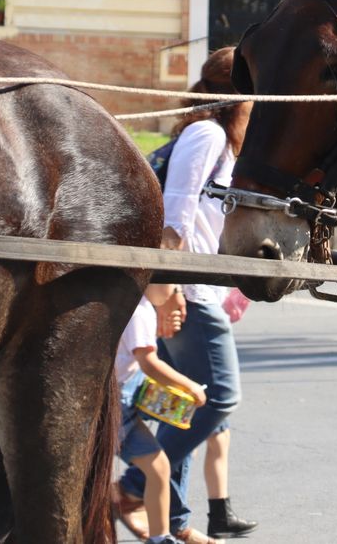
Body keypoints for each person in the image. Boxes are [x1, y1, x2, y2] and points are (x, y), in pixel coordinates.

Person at [116, 48, 257, 543]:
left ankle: (172, 523)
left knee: (180, 403)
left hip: (197, 288)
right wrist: (168, 286)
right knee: (219, 396)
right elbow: (174, 210)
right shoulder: (208, 133)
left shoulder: (218, 137)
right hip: (187, 288)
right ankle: (132, 485)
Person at [113, 285, 206, 544]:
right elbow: (148, 362)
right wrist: (189, 386)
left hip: (121, 400)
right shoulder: (139, 311)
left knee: (159, 468)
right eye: (171, 282)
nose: (174, 290)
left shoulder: (135, 303)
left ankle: (160, 537)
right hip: (117, 406)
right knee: (157, 468)